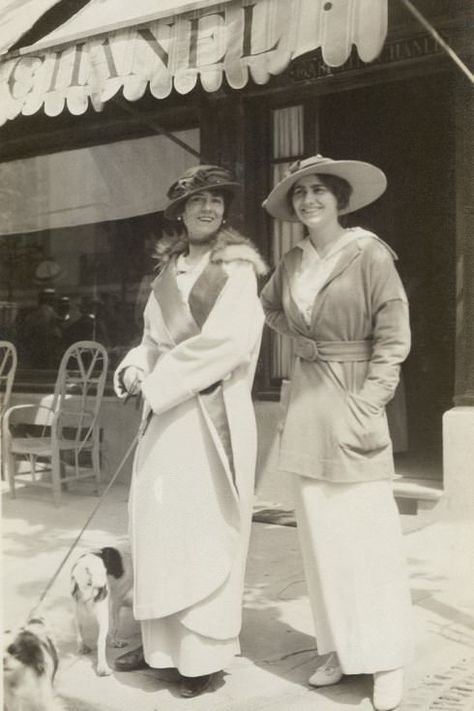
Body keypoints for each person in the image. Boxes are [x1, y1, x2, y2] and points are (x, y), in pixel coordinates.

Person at [260, 155, 413, 711]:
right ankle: (341, 650)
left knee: (367, 539)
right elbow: (270, 306)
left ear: (340, 199)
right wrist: (298, 341)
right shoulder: (293, 258)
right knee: (320, 539)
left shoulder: (370, 253)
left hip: (353, 404)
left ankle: (387, 657)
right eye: (299, 193)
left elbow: (394, 337)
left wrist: (369, 402)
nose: (308, 201)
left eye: (319, 190)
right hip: (307, 405)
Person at [113, 165, 267, 697]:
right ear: (179, 212)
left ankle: (201, 655)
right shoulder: (167, 274)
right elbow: (153, 339)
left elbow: (226, 346)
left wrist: (157, 383)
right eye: (197, 200)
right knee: (161, 528)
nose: (208, 208)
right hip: (166, 418)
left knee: (204, 530)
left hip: (211, 418)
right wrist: (136, 365)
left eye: (217, 200)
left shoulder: (238, 270)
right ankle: (160, 645)